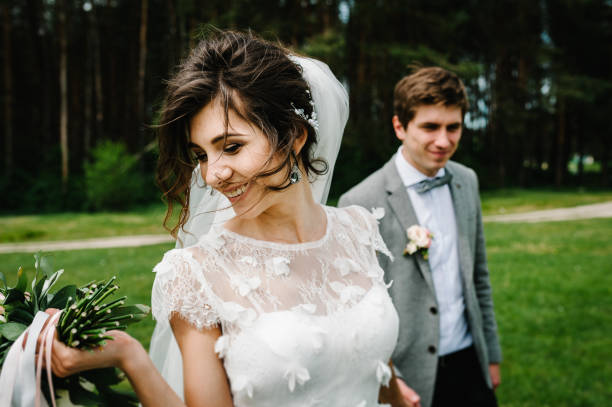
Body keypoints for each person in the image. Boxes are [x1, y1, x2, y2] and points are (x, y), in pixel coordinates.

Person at [48, 30, 402, 406]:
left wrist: (397, 392)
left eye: (231, 147)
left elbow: (363, 351)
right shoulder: (195, 275)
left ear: (295, 136)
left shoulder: (358, 229)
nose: (212, 174)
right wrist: (130, 357)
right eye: (201, 155)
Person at [338, 67, 502, 407]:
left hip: (471, 362)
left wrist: (491, 356)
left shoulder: (466, 181)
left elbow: (479, 277)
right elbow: (358, 312)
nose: (444, 141)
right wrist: (392, 379)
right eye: (430, 127)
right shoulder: (359, 202)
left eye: (453, 127)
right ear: (400, 126)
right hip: (409, 374)